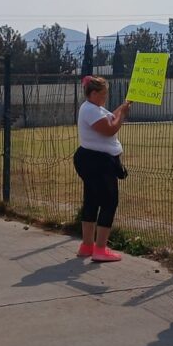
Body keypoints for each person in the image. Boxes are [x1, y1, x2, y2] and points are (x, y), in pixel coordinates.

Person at [74, 76, 130, 263]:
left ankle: (87, 245)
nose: (106, 97)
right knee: (109, 202)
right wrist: (122, 115)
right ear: (94, 93)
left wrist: (122, 108)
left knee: (91, 200)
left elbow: (110, 118)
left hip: (92, 159)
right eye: (103, 94)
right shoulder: (90, 109)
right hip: (98, 162)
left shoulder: (93, 108)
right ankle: (100, 248)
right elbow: (109, 129)